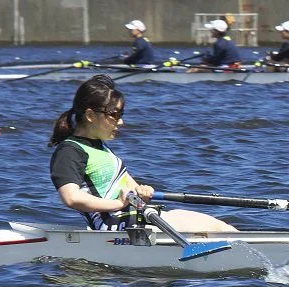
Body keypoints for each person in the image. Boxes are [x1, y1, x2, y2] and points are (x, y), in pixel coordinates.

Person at [48, 75, 232, 231]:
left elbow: (131, 187)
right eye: (114, 115)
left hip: (136, 216)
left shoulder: (100, 148)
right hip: (113, 224)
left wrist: (142, 191)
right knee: (192, 226)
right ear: (90, 115)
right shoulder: (69, 151)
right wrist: (118, 204)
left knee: (219, 227)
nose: (120, 122)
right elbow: (72, 198)